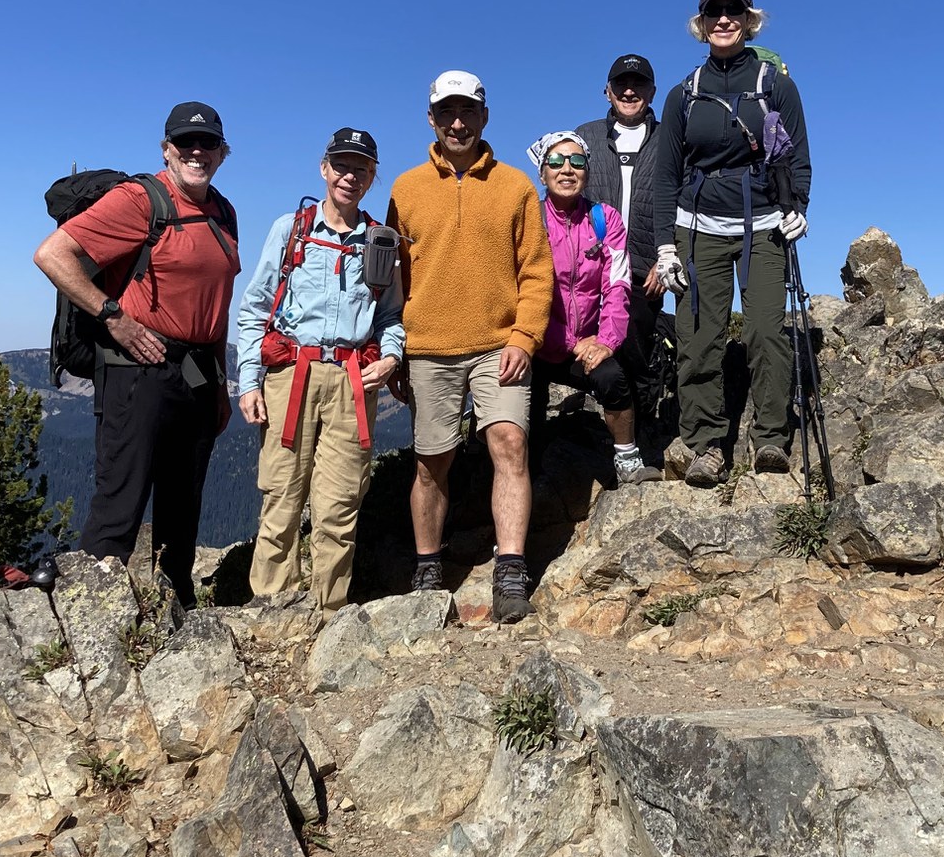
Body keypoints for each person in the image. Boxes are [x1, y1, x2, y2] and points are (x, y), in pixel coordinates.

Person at [34, 102, 241, 603]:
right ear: (167, 149)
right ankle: (87, 615)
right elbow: (53, 255)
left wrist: (218, 384)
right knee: (121, 497)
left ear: (222, 152)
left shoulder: (224, 211)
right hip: (137, 370)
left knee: (182, 499)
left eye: (208, 143)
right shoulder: (139, 200)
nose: (197, 151)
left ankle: (178, 605)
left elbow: (214, 302)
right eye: (185, 143)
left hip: (196, 372)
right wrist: (113, 317)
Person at [386, 70, 555, 621]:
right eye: (446, 113)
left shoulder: (516, 186)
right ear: (431, 119)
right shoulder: (405, 189)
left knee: (509, 444)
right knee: (433, 461)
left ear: (485, 117)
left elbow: (536, 272)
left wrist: (525, 337)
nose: (457, 123)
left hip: (498, 345)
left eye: (468, 112)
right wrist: (393, 346)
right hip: (428, 346)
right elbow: (392, 279)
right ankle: (429, 569)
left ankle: (510, 572)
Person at [643, 0, 812, 487]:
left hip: (765, 224)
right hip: (696, 228)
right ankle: (705, 444)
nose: (723, 19)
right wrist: (664, 245)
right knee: (697, 336)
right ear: (701, 24)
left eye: (733, 11)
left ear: (747, 19)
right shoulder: (683, 95)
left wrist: (797, 206)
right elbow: (665, 175)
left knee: (765, 329)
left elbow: (798, 155)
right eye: (714, 11)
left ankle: (770, 440)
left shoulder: (774, 84)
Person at [233, 128, 404, 610]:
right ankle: (271, 605)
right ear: (324, 169)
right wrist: (249, 382)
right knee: (281, 494)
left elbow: (391, 315)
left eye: (361, 169)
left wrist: (391, 358)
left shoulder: (381, 242)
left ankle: (328, 614)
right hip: (292, 374)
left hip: (353, 377)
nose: (350, 176)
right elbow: (255, 308)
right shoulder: (291, 230)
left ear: (372, 178)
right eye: (342, 166)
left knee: (339, 504)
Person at [524, 131, 653, 485]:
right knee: (524, 406)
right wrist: (568, 342)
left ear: (587, 171)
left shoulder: (604, 219)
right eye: (556, 161)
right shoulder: (529, 220)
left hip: (590, 343)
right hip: (538, 341)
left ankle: (627, 459)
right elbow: (521, 294)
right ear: (542, 171)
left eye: (577, 161)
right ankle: (525, 479)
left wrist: (606, 341)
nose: (567, 169)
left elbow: (618, 284)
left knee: (613, 378)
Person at [575, 53, 673, 440]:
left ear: (652, 91)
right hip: (592, 269)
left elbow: (686, 202)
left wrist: (670, 260)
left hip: (648, 266)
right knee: (594, 351)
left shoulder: (671, 139)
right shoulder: (585, 136)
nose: (629, 91)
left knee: (634, 342)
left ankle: (641, 428)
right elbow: (563, 194)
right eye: (621, 84)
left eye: (638, 84)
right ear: (607, 91)